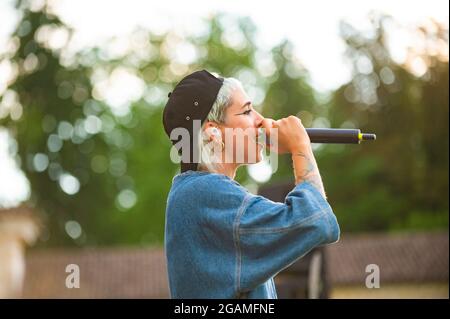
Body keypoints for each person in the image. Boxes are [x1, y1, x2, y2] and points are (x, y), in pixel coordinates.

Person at [162, 69, 340, 299]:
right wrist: (300, 147)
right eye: (247, 111)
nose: (261, 120)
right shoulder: (202, 193)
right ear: (213, 132)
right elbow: (316, 221)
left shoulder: (195, 194)